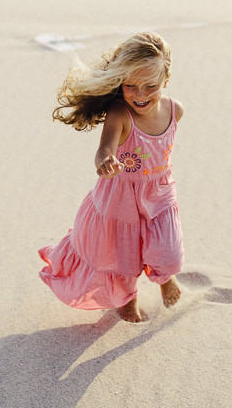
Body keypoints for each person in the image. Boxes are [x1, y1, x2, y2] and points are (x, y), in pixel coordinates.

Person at [39, 32, 184, 323]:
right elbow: (105, 147)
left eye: (150, 86)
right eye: (130, 86)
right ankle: (126, 301)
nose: (140, 94)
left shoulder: (174, 111)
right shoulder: (120, 113)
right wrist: (106, 160)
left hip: (158, 193)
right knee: (123, 259)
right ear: (120, 83)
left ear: (165, 80)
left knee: (167, 249)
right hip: (120, 198)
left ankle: (164, 276)